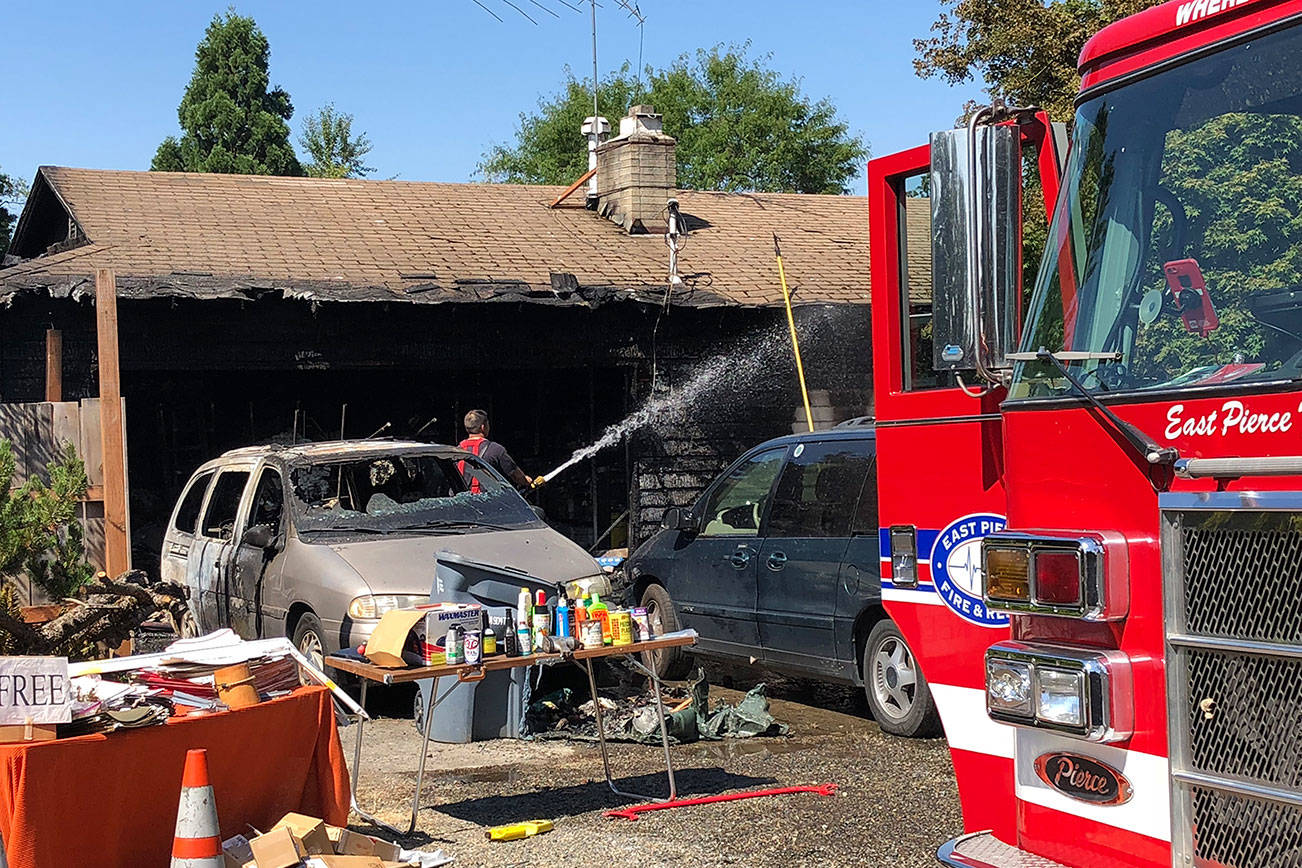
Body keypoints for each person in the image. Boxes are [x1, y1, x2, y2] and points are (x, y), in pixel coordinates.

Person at [459, 409, 541, 490]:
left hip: (459, 502)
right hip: (487, 502)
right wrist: (526, 481)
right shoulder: (496, 450)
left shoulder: (456, 451)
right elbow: (516, 476)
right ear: (483, 427)